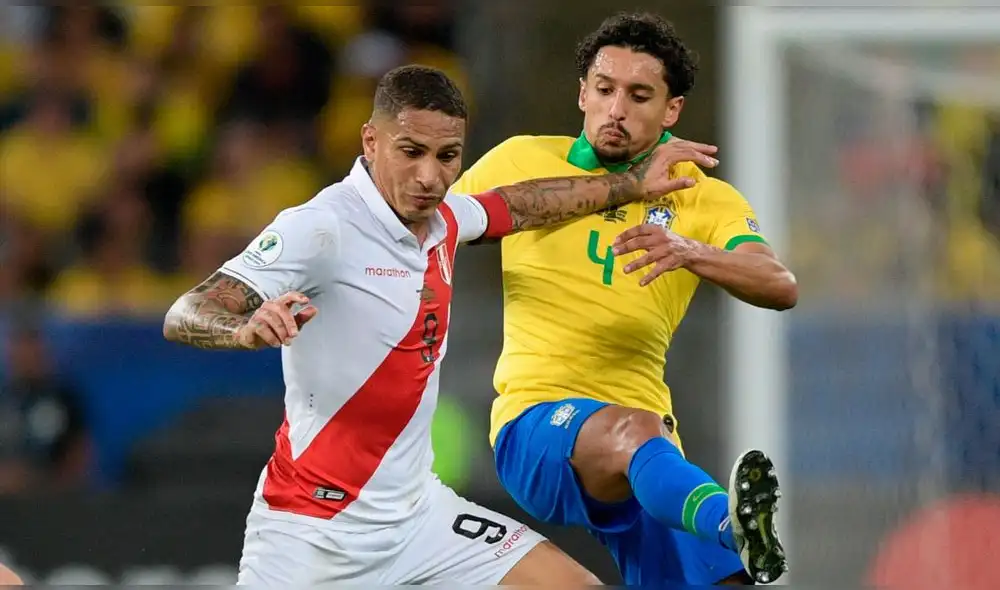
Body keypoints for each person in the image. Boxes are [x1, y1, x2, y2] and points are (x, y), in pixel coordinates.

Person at [163, 64, 720, 587]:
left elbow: (520, 204)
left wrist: (631, 184)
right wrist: (241, 328)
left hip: (419, 519)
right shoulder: (321, 226)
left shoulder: (445, 221)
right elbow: (186, 311)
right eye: (411, 152)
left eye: (448, 155)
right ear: (370, 142)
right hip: (312, 531)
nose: (430, 176)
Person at [451, 12, 797, 586]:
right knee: (632, 431)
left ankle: (723, 530)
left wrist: (690, 250)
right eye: (605, 89)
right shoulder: (523, 160)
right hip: (536, 424)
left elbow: (779, 284)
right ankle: (728, 524)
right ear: (583, 93)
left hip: (654, 458)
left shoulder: (701, 197)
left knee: (725, 580)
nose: (617, 109)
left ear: (672, 110)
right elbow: (436, 230)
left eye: (640, 95)